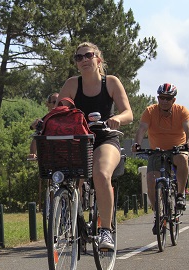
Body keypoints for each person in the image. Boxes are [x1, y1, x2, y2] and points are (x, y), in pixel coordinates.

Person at [56, 42, 133, 250]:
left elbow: (128, 113)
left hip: (105, 138)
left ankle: (105, 230)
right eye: (78, 57)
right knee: (68, 178)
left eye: (88, 55)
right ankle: (74, 220)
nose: (83, 60)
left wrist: (116, 118)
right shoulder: (72, 84)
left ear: (98, 59)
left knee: (100, 173)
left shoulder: (111, 82)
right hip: (80, 140)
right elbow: (58, 112)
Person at [131, 83, 189, 234]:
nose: (164, 101)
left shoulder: (182, 111)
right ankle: (158, 215)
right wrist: (136, 144)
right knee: (151, 181)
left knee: (182, 159)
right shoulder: (150, 111)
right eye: (161, 98)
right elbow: (142, 129)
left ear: (173, 99)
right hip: (157, 151)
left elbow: (188, 128)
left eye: (168, 98)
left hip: (177, 148)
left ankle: (179, 194)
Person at [27, 93, 59, 159]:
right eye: (55, 102)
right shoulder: (44, 121)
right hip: (51, 159)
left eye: (60, 102)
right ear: (47, 104)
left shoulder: (69, 117)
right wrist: (32, 154)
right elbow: (36, 136)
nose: (58, 105)